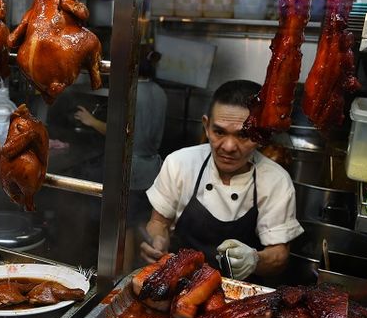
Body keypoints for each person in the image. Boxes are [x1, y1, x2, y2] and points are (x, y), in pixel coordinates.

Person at [140, 80, 303, 281]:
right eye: (219, 132)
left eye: (243, 135)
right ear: (206, 127)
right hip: (179, 285)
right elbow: (158, 221)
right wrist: (156, 240)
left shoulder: (276, 181)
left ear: (260, 135)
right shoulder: (180, 163)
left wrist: (254, 260)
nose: (228, 146)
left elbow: (279, 256)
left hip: (240, 297)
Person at [74, 44, 168, 270]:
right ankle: (138, 270)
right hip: (152, 168)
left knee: (123, 227)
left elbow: (119, 131)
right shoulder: (159, 92)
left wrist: (90, 120)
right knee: (138, 222)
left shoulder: (133, 94)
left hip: (132, 170)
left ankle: (122, 276)